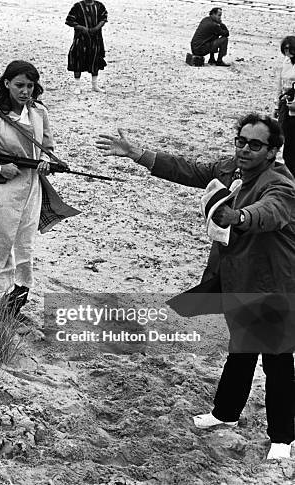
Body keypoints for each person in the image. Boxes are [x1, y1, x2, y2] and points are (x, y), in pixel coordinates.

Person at [95, 113, 295, 460]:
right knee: (241, 349)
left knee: (277, 360)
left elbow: (271, 211)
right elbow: (189, 170)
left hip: (274, 282)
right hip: (238, 278)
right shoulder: (231, 169)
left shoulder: (280, 182)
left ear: (273, 151)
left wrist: (240, 217)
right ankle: (225, 414)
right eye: (241, 141)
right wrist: (136, 153)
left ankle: (283, 436)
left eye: (255, 144)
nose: (245, 149)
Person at [0, 60, 79, 317]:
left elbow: (46, 149)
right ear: (6, 84)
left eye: (30, 86)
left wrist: (46, 164)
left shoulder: (39, 113)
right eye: (19, 85)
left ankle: (13, 307)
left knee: (23, 248)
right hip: (0, 195)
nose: (25, 92)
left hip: (31, 192)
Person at [65, 0, 108, 94]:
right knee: (77, 59)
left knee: (95, 59)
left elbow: (104, 18)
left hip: (96, 38)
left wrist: (96, 28)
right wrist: (82, 28)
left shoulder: (99, 5)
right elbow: (69, 20)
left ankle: (95, 86)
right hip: (80, 38)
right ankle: (77, 86)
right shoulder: (77, 6)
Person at [274, 36, 295, 175]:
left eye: (290, 49)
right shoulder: (286, 62)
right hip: (285, 103)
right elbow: (280, 84)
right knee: (284, 136)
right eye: (285, 49)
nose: (288, 52)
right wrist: (277, 105)